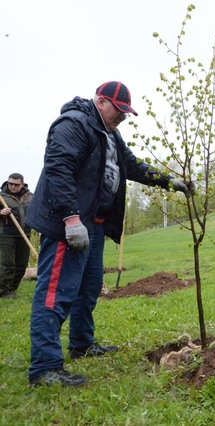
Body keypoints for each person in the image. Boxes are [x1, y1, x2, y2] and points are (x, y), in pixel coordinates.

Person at [26, 81, 193, 387]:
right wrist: (71, 218)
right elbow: (58, 169)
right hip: (68, 225)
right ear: (101, 101)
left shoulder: (111, 134)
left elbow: (132, 166)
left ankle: (81, 343)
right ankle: (44, 368)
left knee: (88, 289)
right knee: (56, 293)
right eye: (120, 110)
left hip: (95, 225)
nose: (123, 117)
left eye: (127, 114)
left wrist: (170, 182)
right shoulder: (73, 124)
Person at [0, 173, 33, 298]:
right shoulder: (1, 196)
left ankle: (11, 290)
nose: (12, 186)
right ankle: (3, 291)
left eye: (16, 184)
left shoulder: (30, 196)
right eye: (10, 184)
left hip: (25, 234)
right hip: (6, 234)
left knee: (21, 264)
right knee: (7, 264)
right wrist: (1, 212)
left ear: (22, 184)